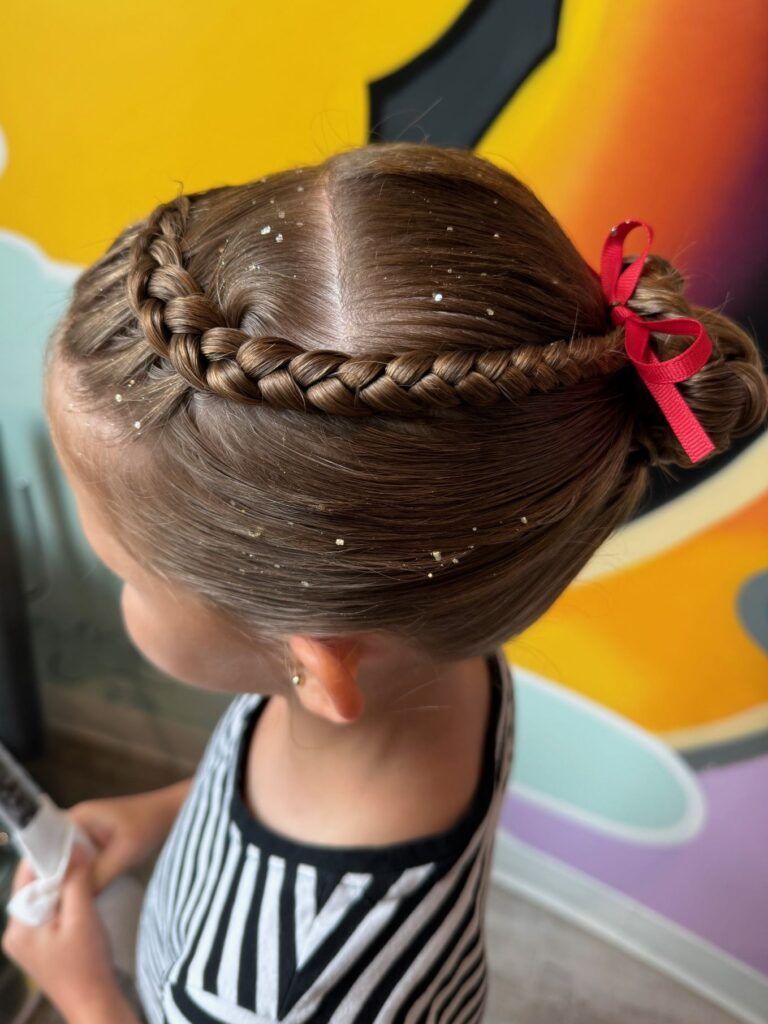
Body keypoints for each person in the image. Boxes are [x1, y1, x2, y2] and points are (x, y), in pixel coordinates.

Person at [3, 142, 766, 1024]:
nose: (118, 590)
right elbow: (258, 763)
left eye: (123, 573)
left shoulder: (273, 993)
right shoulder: (444, 665)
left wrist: (86, 993)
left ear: (317, 666)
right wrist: (165, 815)